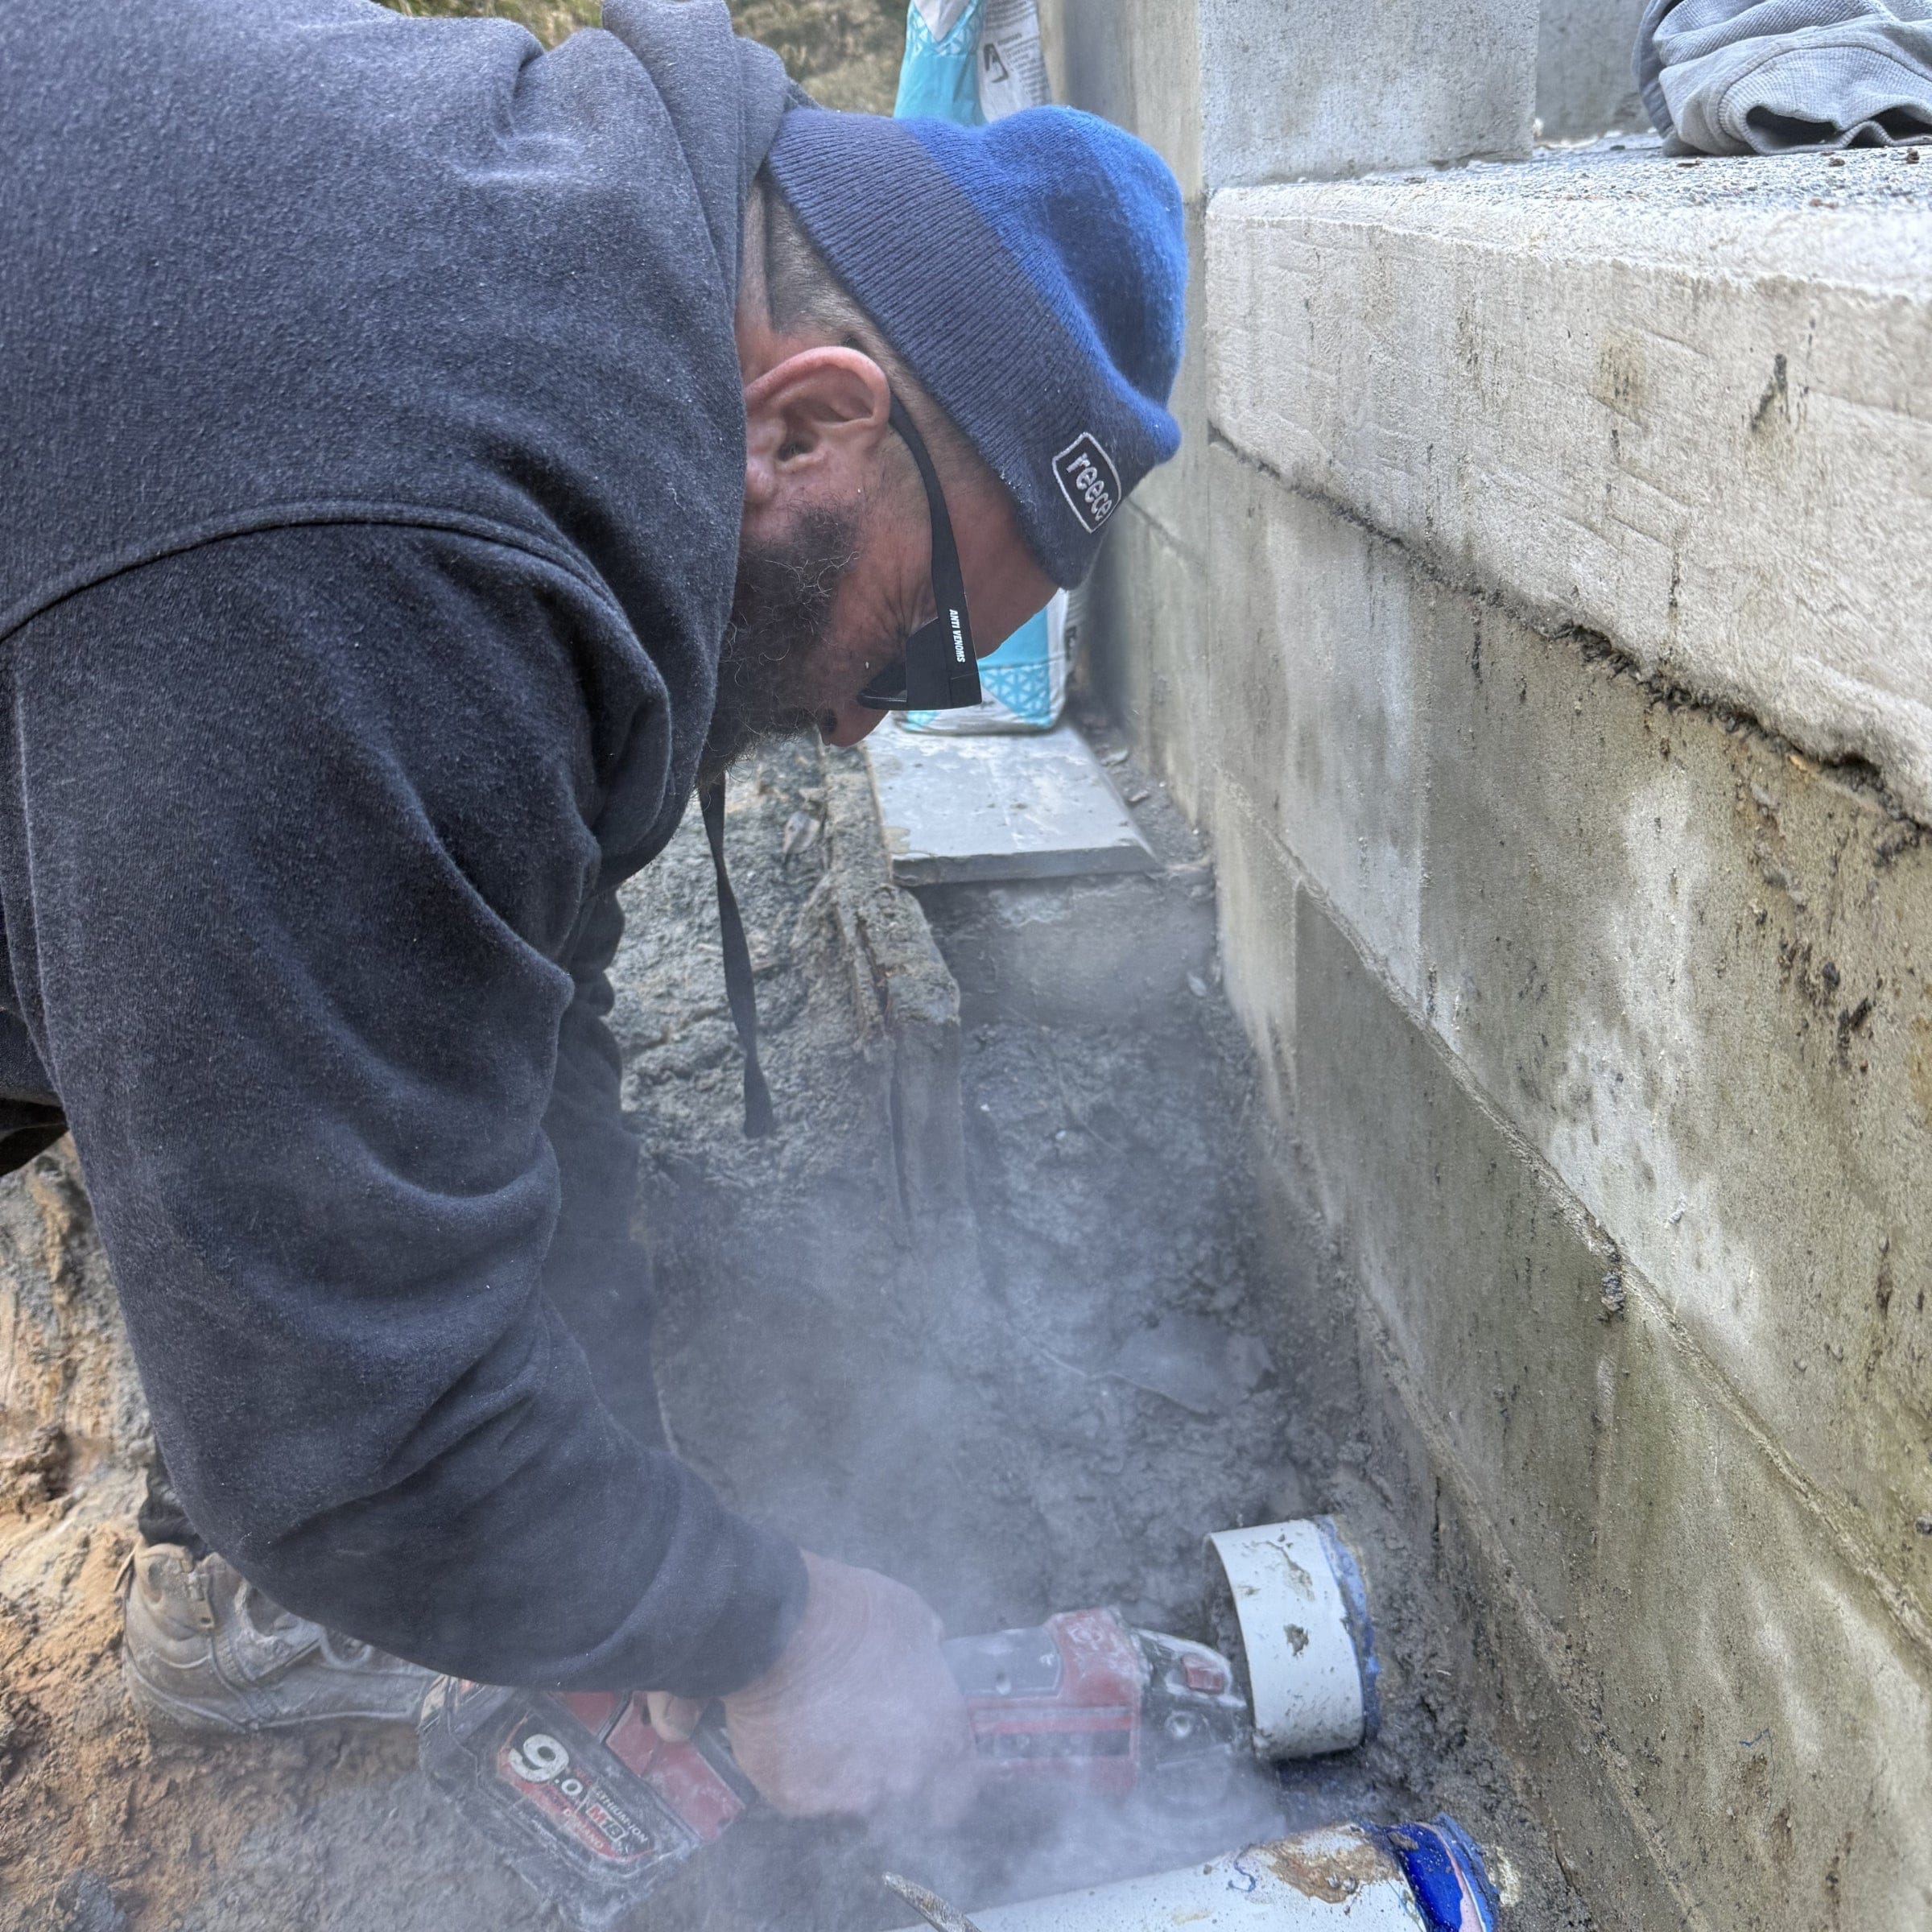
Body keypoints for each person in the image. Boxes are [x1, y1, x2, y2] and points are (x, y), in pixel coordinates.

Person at [0, 0, 1185, 1821]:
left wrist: (622, 1517)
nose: (874, 716)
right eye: (928, 632)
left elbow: (521, 998)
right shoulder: (399, 546)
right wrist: (772, 1630)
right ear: (809, 420)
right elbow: (338, 1434)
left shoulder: (563, 302)